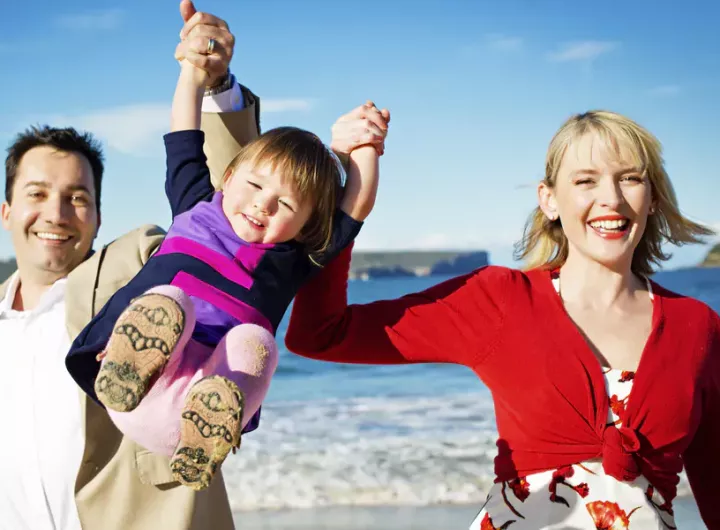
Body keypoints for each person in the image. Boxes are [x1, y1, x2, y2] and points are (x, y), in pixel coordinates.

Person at [284, 110, 720, 529]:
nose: (612, 198)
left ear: (653, 199)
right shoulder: (499, 301)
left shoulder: (697, 327)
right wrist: (352, 200)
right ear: (549, 200)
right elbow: (320, 335)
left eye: (630, 178)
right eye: (585, 180)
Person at [64, 31, 389, 492]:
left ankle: (207, 429)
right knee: (169, 302)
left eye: (287, 205)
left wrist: (366, 150)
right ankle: (133, 361)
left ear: (308, 223)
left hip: (190, 410)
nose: (264, 207)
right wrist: (192, 74)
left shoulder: (295, 259)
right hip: (132, 382)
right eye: (256, 187)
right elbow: (183, 134)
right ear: (230, 175)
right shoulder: (193, 204)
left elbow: (356, 204)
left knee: (255, 343)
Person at [0, 3, 265, 528]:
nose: (56, 213)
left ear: (98, 217)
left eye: (78, 197)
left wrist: (212, 88)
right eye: (37, 193)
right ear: (7, 212)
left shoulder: (139, 265)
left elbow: (229, 217)